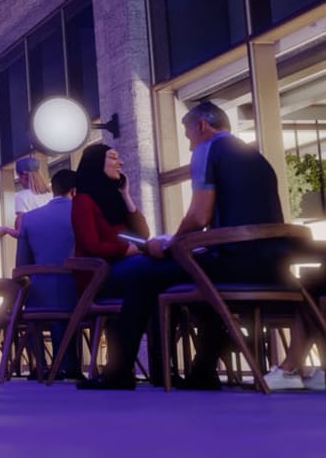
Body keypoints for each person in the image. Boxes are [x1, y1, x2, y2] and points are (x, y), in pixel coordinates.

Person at [79, 101, 288, 391]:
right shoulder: (258, 158)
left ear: (202, 126)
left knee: (146, 277)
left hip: (235, 261)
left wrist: (171, 245)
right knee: (197, 282)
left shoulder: (208, 148)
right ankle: (203, 369)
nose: (189, 146)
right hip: (273, 268)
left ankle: (119, 372)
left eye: (188, 136)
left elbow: (199, 215)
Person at [15, 169, 79, 378]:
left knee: (39, 301)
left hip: (38, 298)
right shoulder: (82, 213)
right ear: (75, 191)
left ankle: (41, 364)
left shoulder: (30, 219)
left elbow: (21, 265)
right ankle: (70, 364)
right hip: (77, 293)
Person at [71, 144, 148, 267]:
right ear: (97, 163)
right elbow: (92, 246)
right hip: (103, 270)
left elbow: (143, 234)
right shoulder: (82, 200)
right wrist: (126, 250)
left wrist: (125, 195)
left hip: (127, 261)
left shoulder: (115, 197)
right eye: (113, 158)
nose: (121, 163)